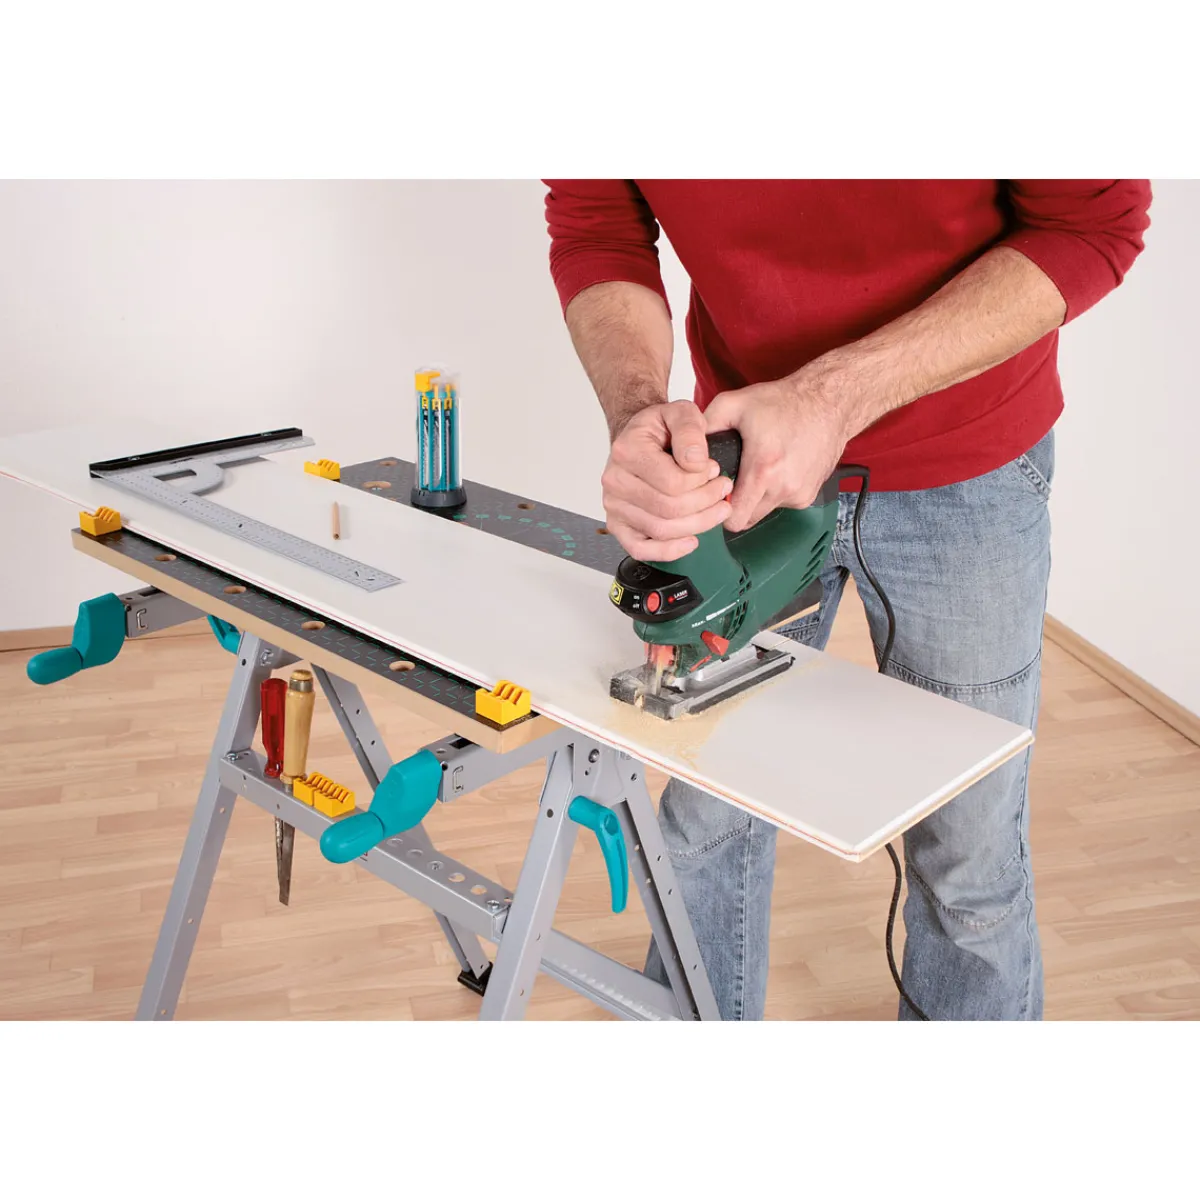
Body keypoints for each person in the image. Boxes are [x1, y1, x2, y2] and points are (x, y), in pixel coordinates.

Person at [542, 179, 1152, 1020]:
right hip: (747, 460)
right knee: (703, 822)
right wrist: (641, 416)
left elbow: (1092, 225)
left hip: (967, 466)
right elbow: (600, 224)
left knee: (968, 859)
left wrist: (831, 396)